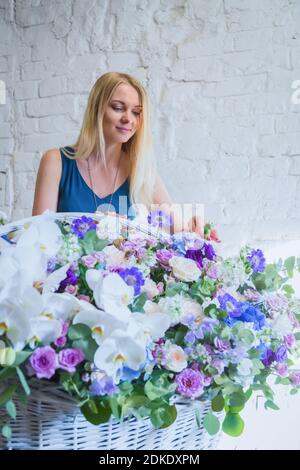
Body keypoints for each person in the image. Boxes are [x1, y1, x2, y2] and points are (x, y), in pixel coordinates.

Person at [32, 72, 204, 236]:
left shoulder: (141, 171)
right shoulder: (56, 161)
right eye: (118, 108)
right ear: (97, 110)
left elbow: (182, 234)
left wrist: (196, 228)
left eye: (136, 112)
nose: (128, 119)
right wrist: (100, 228)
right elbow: (38, 239)